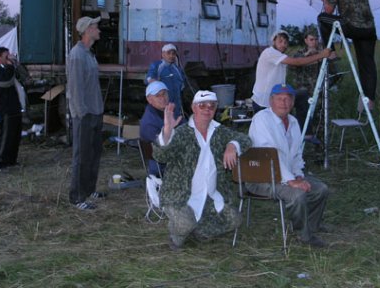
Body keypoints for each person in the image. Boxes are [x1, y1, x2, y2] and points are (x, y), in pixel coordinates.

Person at [153, 90, 252, 250]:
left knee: (235, 220)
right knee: (185, 224)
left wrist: (232, 145)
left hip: (210, 196)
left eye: (211, 106)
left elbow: (245, 139)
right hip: (179, 195)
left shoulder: (220, 132)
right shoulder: (182, 133)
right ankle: (176, 236)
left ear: (216, 109)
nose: (207, 109)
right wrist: (167, 131)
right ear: (193, 107)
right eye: (202, 105)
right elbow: (161, 156)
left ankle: (198, 231)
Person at [247, 83, 330, 248]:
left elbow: (297, 154)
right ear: (271, 101)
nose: (283, 103)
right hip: (261, 177)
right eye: (279, 99)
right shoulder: (261, 119)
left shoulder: (292, 121)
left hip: (286, 175)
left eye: (287, 99)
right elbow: (269, 155)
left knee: (321, 189)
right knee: (296, 194)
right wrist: (291, 181)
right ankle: (303, 235)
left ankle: (311, 226)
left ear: (292, 102)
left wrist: (298, 174)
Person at [318, 0, 378, 111]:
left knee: (322, 18)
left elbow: (328, 11)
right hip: (369, 28)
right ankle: (369, 100)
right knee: (367, 65)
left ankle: (329, 51)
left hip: (352, 26)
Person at [67, 16, 107, 210]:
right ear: (87, 30)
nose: (99, 29)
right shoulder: (77, 55)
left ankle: (90, 189)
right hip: (84, 114)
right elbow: (74, 88)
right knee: (81, 156)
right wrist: (81, 113)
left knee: (94, 153)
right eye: (96, 26)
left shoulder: (89, 54)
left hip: (95, 112)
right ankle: (77, 197)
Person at [251, 30, 331, 112]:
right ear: (273, 41)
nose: (283, 44)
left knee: (302, 96)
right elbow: (297, 62)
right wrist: (322, 55)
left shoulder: (280, 56)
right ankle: (302, 123)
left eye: (285, 42)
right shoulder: (270, 52)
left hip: (277, 96)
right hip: (264, 101)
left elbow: (298, 63)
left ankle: (303, 124)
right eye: (280, 41)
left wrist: (317, 57)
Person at [0, 47, 24, 171]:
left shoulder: (7, 69)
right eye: (6, 55)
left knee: (15, 136)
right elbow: (7, 82)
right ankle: (0, 163)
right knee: (6, 136)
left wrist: (16, 64)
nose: (8, 57)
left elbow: (23, 77)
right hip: (5, 109)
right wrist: (10, 66)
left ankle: (11, 161)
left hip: (14, 107)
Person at [146, 44, 187, 119]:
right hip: (164, 102)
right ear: (163, 54)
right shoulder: (157, 66)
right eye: (168, 53)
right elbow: (150, 79)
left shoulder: (177, 69)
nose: (171, 56)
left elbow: (182, 83)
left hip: (177, 103)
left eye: (173, 53)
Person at [139, 80, 169, 177]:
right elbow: (164, 147)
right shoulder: (149, 122)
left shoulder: (170, 111)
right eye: (157, 96)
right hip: (161, 166)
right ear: (149, 100)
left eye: (164, 94)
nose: (162, 98)